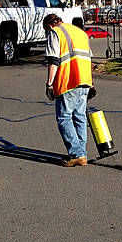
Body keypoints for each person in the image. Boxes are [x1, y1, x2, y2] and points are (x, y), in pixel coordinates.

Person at [44, 13, 93, 167]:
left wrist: (49, 84)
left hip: (68, 80)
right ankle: (81, 153)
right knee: (79, 117)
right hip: (85, 80)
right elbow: (89, 59)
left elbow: (53, 60)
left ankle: (77, 154)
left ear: (49, 25)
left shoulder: (55, 32)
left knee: (64, 118)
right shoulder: (80, 32)